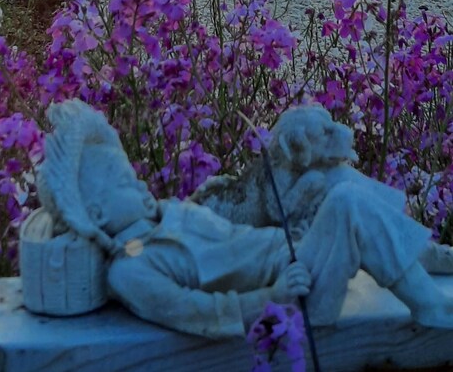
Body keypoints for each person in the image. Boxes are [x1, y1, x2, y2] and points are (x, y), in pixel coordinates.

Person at [37, 100, 453, 341]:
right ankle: (432, 308)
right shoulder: (131, 269)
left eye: (130, 172)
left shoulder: (167, 215)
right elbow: (200, 312)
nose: (137, 181)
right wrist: (274, 296)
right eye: (122, 182)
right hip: (298, 301)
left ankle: (425, 260)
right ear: (97, 214)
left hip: (296, 255)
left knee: (338, 180)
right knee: (346, 200)